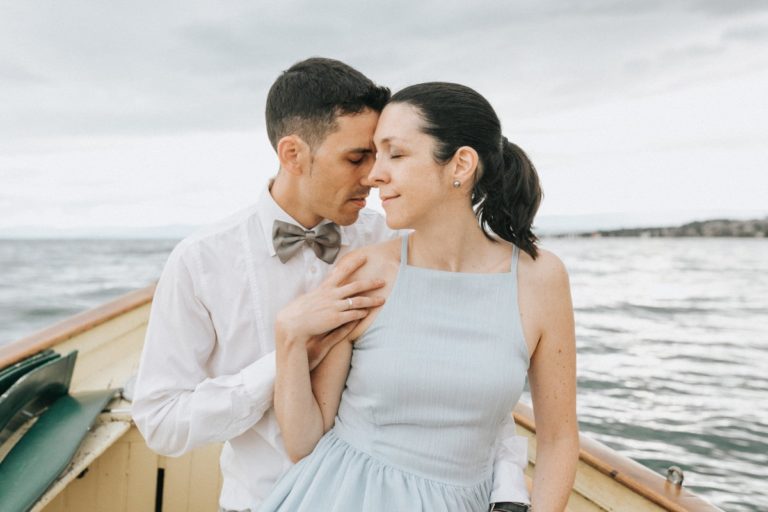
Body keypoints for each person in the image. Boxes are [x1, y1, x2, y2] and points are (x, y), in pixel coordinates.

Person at [132, 59, 531, 512]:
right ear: (293, 154)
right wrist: (289, 355)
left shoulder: (394, 243)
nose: (374, 176)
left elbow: (467, 380)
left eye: (383, 156)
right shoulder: (201, 261)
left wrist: (508, 489)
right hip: (259, 502)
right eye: (357, 157)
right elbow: (161, 421)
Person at [258, 82, 579, 512]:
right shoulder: (365, 272)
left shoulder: (541, 279)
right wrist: (289, 338)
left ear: (460, 165)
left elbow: (558, 439)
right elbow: (303, 444)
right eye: (374, 153)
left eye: (396, 153)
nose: (374, 175)